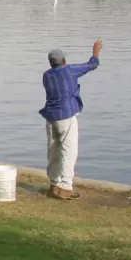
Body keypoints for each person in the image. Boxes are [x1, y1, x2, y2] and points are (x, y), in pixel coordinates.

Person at [40, 40, 102, 200]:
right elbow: (92, 64)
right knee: (69, 151)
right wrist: (96, 51)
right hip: (66, 117)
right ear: (64, 61)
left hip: (50, 118)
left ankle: (54, 184)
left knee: (53, 151)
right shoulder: (69, 71)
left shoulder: (46, 75)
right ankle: (66, 187)